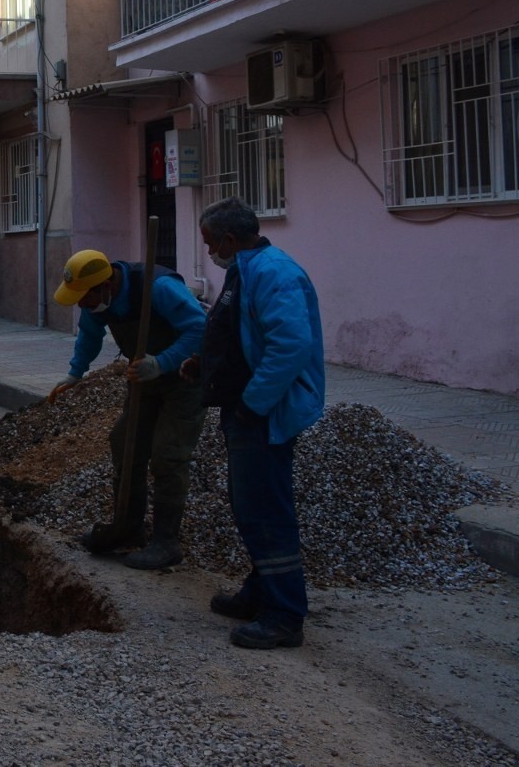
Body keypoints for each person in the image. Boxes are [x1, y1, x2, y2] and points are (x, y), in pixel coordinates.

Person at [182, 196, 324, 650]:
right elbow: (240, 335)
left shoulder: (273, 272)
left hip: (264, 413)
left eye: (209, 243)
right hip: (247, 407)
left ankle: (284, 614)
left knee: (264, 512)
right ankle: (262, 591)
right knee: (251, 508)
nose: (209, 253)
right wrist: (203, 365)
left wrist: (253, 405)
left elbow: (290, 346)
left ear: (228, 239)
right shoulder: (245, 271)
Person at [50, 247, 207, 569]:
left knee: (168, 454)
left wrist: (161, 362)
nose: (81, 303)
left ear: (106, 285)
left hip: (185, 377)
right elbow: (89, 336)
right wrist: (74, 373)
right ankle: (128, 526)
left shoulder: (158, 287)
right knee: (125, 443)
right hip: (144, 378)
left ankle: (166, 542)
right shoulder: (98, 303)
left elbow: (200, 329)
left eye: (85, 297)